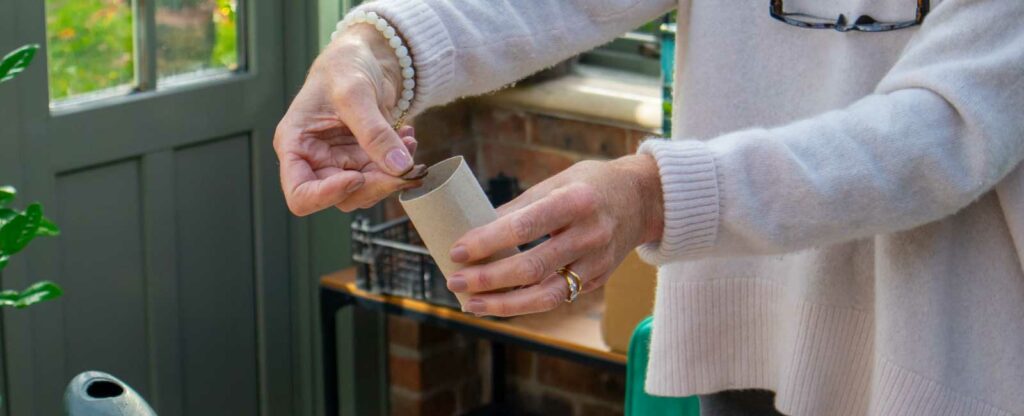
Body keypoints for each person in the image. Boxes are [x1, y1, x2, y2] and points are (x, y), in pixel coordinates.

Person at [274, 0, 1024, 414]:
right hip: (743, 339)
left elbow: (943, 129)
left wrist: (653, 196)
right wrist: (379, 49)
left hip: (938, 359)